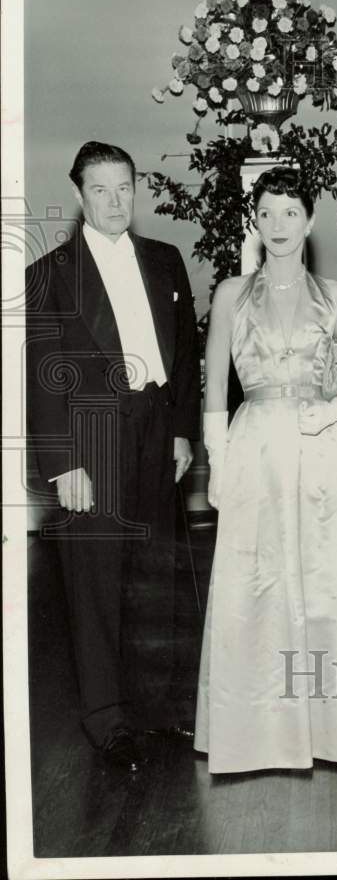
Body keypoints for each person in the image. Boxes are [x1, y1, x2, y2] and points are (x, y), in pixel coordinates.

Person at [195, 165, 337, 773]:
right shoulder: (230, 293)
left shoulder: (335, 295)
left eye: (290, 213)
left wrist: (333, 409)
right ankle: (255, 734)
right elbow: (216, 391)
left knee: (323, 581)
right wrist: (218, 466)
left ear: (310, 219)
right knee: (254, 583)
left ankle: (334, 733)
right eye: (267, 213)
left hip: (320, 443)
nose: (278, 225)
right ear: (256, 218)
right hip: (253, 445)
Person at [26, 141, 201, 772]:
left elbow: (184, 352)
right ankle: (107, 718)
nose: (114, 201)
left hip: (156, 426)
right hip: (91, 435)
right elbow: (41, 377)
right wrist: (62, 462)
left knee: (156, 570)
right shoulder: (48, 275)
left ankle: (157, 708)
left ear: (137, 188)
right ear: (78, 195)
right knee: (95, 581)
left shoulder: (164, 259)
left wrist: (182, 430)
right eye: (99, 190)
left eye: (123, 187)